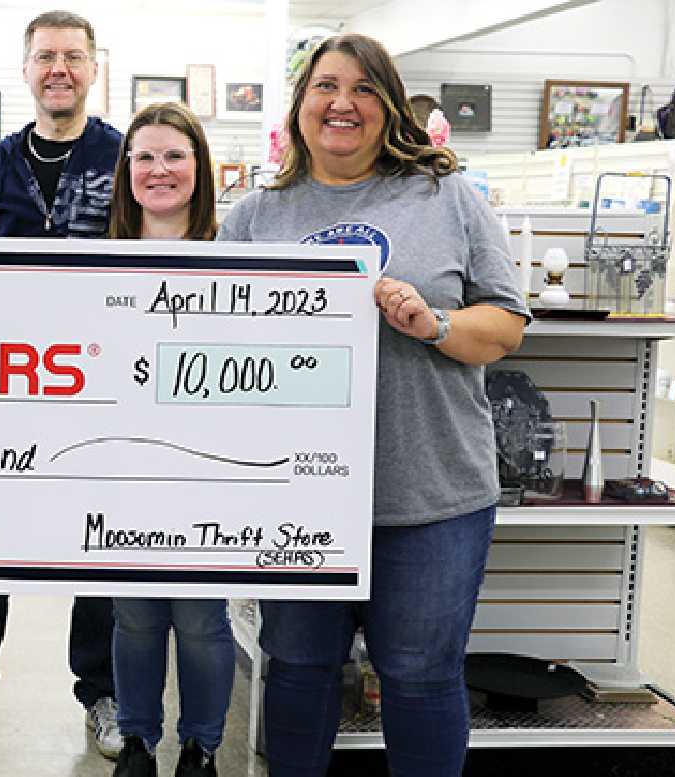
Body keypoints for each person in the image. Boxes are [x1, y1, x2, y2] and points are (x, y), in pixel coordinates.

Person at [216, 33, 528, 777]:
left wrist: (437, 323)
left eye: (363, 88)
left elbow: (507, 325)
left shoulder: (447, 196)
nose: (342, 103)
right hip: (297, 496)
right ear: (300, 108)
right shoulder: (256, 216)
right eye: (326, 86)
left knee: (419, 677)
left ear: (389, 106)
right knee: (294, 667)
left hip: (431, 493)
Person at [0, 10, 126, 759]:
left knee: (98, 538)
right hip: (7, 388)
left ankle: (103, 689)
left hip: (104, 383)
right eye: (45, 57)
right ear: (25, 71)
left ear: (93, 69)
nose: (59, 68)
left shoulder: (125, 158)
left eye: (73, 57)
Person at [105, 102, 233, 777]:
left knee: (203, 618)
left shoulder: (237, 253)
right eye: (145, 156)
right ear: (127, 170)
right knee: (134, 616)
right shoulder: (101, 263)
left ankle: (201, 746)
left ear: (198, 168)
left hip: (210, 467)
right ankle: (137, 741)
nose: (159, 170)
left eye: (174, 156)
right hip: (125, 467)